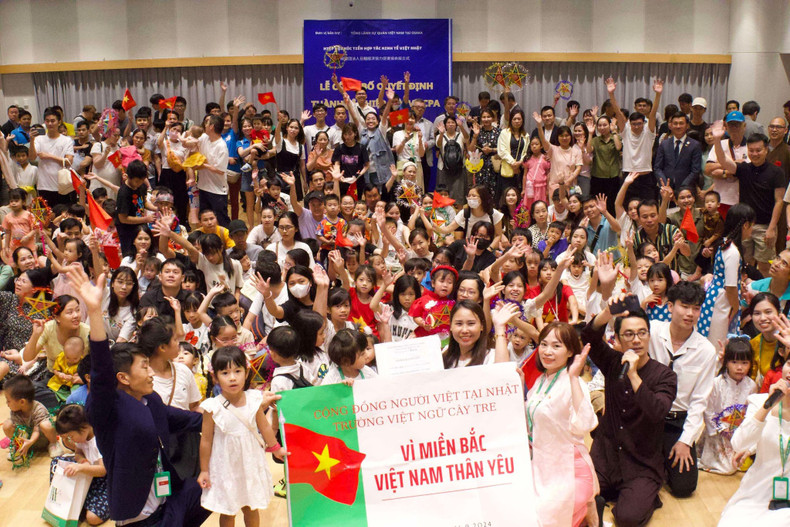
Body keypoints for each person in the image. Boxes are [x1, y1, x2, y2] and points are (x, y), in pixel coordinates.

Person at [66, 265, 210, 525]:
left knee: (212, 486)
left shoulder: (151, 399)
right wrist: (95, 311)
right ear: (123, 378)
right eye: (144, 367)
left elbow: (188, 419)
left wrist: (232, 411)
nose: (151, 372)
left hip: (168, 498)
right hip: (140, 517)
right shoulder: (107, 409)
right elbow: (100, 369)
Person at [582, 252, 677, 527]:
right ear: (619, 339)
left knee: (627, 517)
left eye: (641, 333)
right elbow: (588, 336)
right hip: (606, 457)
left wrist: (634, 376)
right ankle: (605, 496)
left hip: (641, 463)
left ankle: (641, 496)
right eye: (628, 335)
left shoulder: (664, 375)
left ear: (649, 335)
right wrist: (607, 310)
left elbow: (657, 411)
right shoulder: (612, 361)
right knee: (578, 500)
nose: (635, 340)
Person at [197, 346, 285, 526]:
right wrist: (204, 470)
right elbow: (206, 440)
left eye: (237, 371)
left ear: (246, 373)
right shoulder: (212, 406)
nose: (232, 377)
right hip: (225, 467)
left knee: (251, 507)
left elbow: (265, 427)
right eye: (225, 372)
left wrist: (275, 448)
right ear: (215, 378)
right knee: (228, 510)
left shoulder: (254, 399)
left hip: (250, 463)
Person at [649, 280, 717, 498]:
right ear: (670, 306)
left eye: (696, 308)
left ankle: (662, 462)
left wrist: (685, 441)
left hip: (676, 421)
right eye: (685, 306)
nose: (690, 313)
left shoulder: (706, 350)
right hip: (648, 415)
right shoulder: (651, 332)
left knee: (684, 487)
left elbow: (699, 402)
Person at [527, 322, 597, 527]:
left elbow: (586, 423)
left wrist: (575, 377)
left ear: (570, 352)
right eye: (544, 344)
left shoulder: (573, 381)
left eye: (556, 346)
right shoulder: (541, 380)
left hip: (569, 470)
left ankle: (588, 506)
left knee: (542, 520)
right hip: (543, 467)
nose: (548, 351)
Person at [717, 353, 790, 526]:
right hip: (758, 491)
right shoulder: (760, 402)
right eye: (789, 362)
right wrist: (767, 407)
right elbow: (738, 443)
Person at [711, 124, 785, 276]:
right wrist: (717, 140)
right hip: (744, 226)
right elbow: (724, 161)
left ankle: (765, 296)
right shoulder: (744, 168)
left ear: (766, 150)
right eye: (751, 150)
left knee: (765, 266)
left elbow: (779, 201)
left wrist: (771, 228)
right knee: (744, 263)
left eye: (758, 150)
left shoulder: (776, 172)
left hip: (765, 226)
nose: (755, 153)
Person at [698, 337, 757, 475]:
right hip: (717, 433)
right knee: (728, 469)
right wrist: (716, 431)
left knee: (743, 465)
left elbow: (750, 413)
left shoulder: (751, 386)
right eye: (734, 362)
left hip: (738, 433)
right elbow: (709, 410)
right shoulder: (717, 383)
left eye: (744, 362)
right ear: (726, 362)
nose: (739, 367)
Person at [697, 203, 755, 344]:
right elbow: (730, 287)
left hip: (715, 296)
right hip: (723, 301)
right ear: (746, 225)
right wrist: (736, 307)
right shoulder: (732, 251)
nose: (752, 230)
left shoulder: (724, 242)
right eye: (752, 225)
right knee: (717, 343)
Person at [607, 77, 662, 202]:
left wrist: (658, 94)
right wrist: (611, 94)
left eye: (639, 124)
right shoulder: (625, 132)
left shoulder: (649, 133)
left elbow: (652, 114)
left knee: (648, 210)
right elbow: (618, 113)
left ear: (644, 123)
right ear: (629, 124)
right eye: (634, 124)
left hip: (646, 177)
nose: (636, 127)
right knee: (627, 210)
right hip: (628, 177)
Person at [54, 404, 110, 525]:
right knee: (56, 462)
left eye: (70, 436)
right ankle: (73, 500)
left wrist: (82, 467)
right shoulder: (81, 438)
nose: (70, 440)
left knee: (92, 518)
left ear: (84, 428)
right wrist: (81, 461)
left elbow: (103, 471)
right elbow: (78, 453)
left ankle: (84, 504)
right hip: (88, 473)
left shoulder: (99, 440)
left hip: (105, 481)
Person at [3, 375, 61, 458]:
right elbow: (19, 429)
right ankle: (19, 446)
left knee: (46, 425)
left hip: (42, 438)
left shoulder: (38, 408)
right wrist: (21, 440)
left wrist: (31, 441)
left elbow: (36, 430)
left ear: (22, 402)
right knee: (7, 425)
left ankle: (53, 444)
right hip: (27, 437)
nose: (7, 403)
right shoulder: (15, 411)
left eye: (8, 401)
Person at [28, 108, 75, 206]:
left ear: (59, 122)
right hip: (44, 185)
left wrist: (49, 156)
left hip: (62, 185)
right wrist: (32, 140)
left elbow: (69, 161)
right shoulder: (39, 139)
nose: (50, 124)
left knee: (62, 216)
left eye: (53, 121)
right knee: (46, 217)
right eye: (47, 121)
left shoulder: (67, 140)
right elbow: (31, 157)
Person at [705, 111, 748, 217]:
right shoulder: (720, 145)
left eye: (737, 124)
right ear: (726, 127)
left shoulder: (751, 147)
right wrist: (729, 166)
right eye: (731, 125)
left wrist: (722, 171)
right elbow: (708, 169)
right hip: (721, 199)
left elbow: (747, 172)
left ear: (744, 126)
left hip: (742, 200)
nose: (734, 128)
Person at [653, 113, 702, 191]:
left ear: (687, 126)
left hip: (686, 191)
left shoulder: (695, 145)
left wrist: (682, 188)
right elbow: (657, 168)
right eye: (675, 123)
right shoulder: (664, 144)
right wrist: (666, 186)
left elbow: (695, 170)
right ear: (670, 125)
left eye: (681, 123)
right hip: (666, 190)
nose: (678, 126)